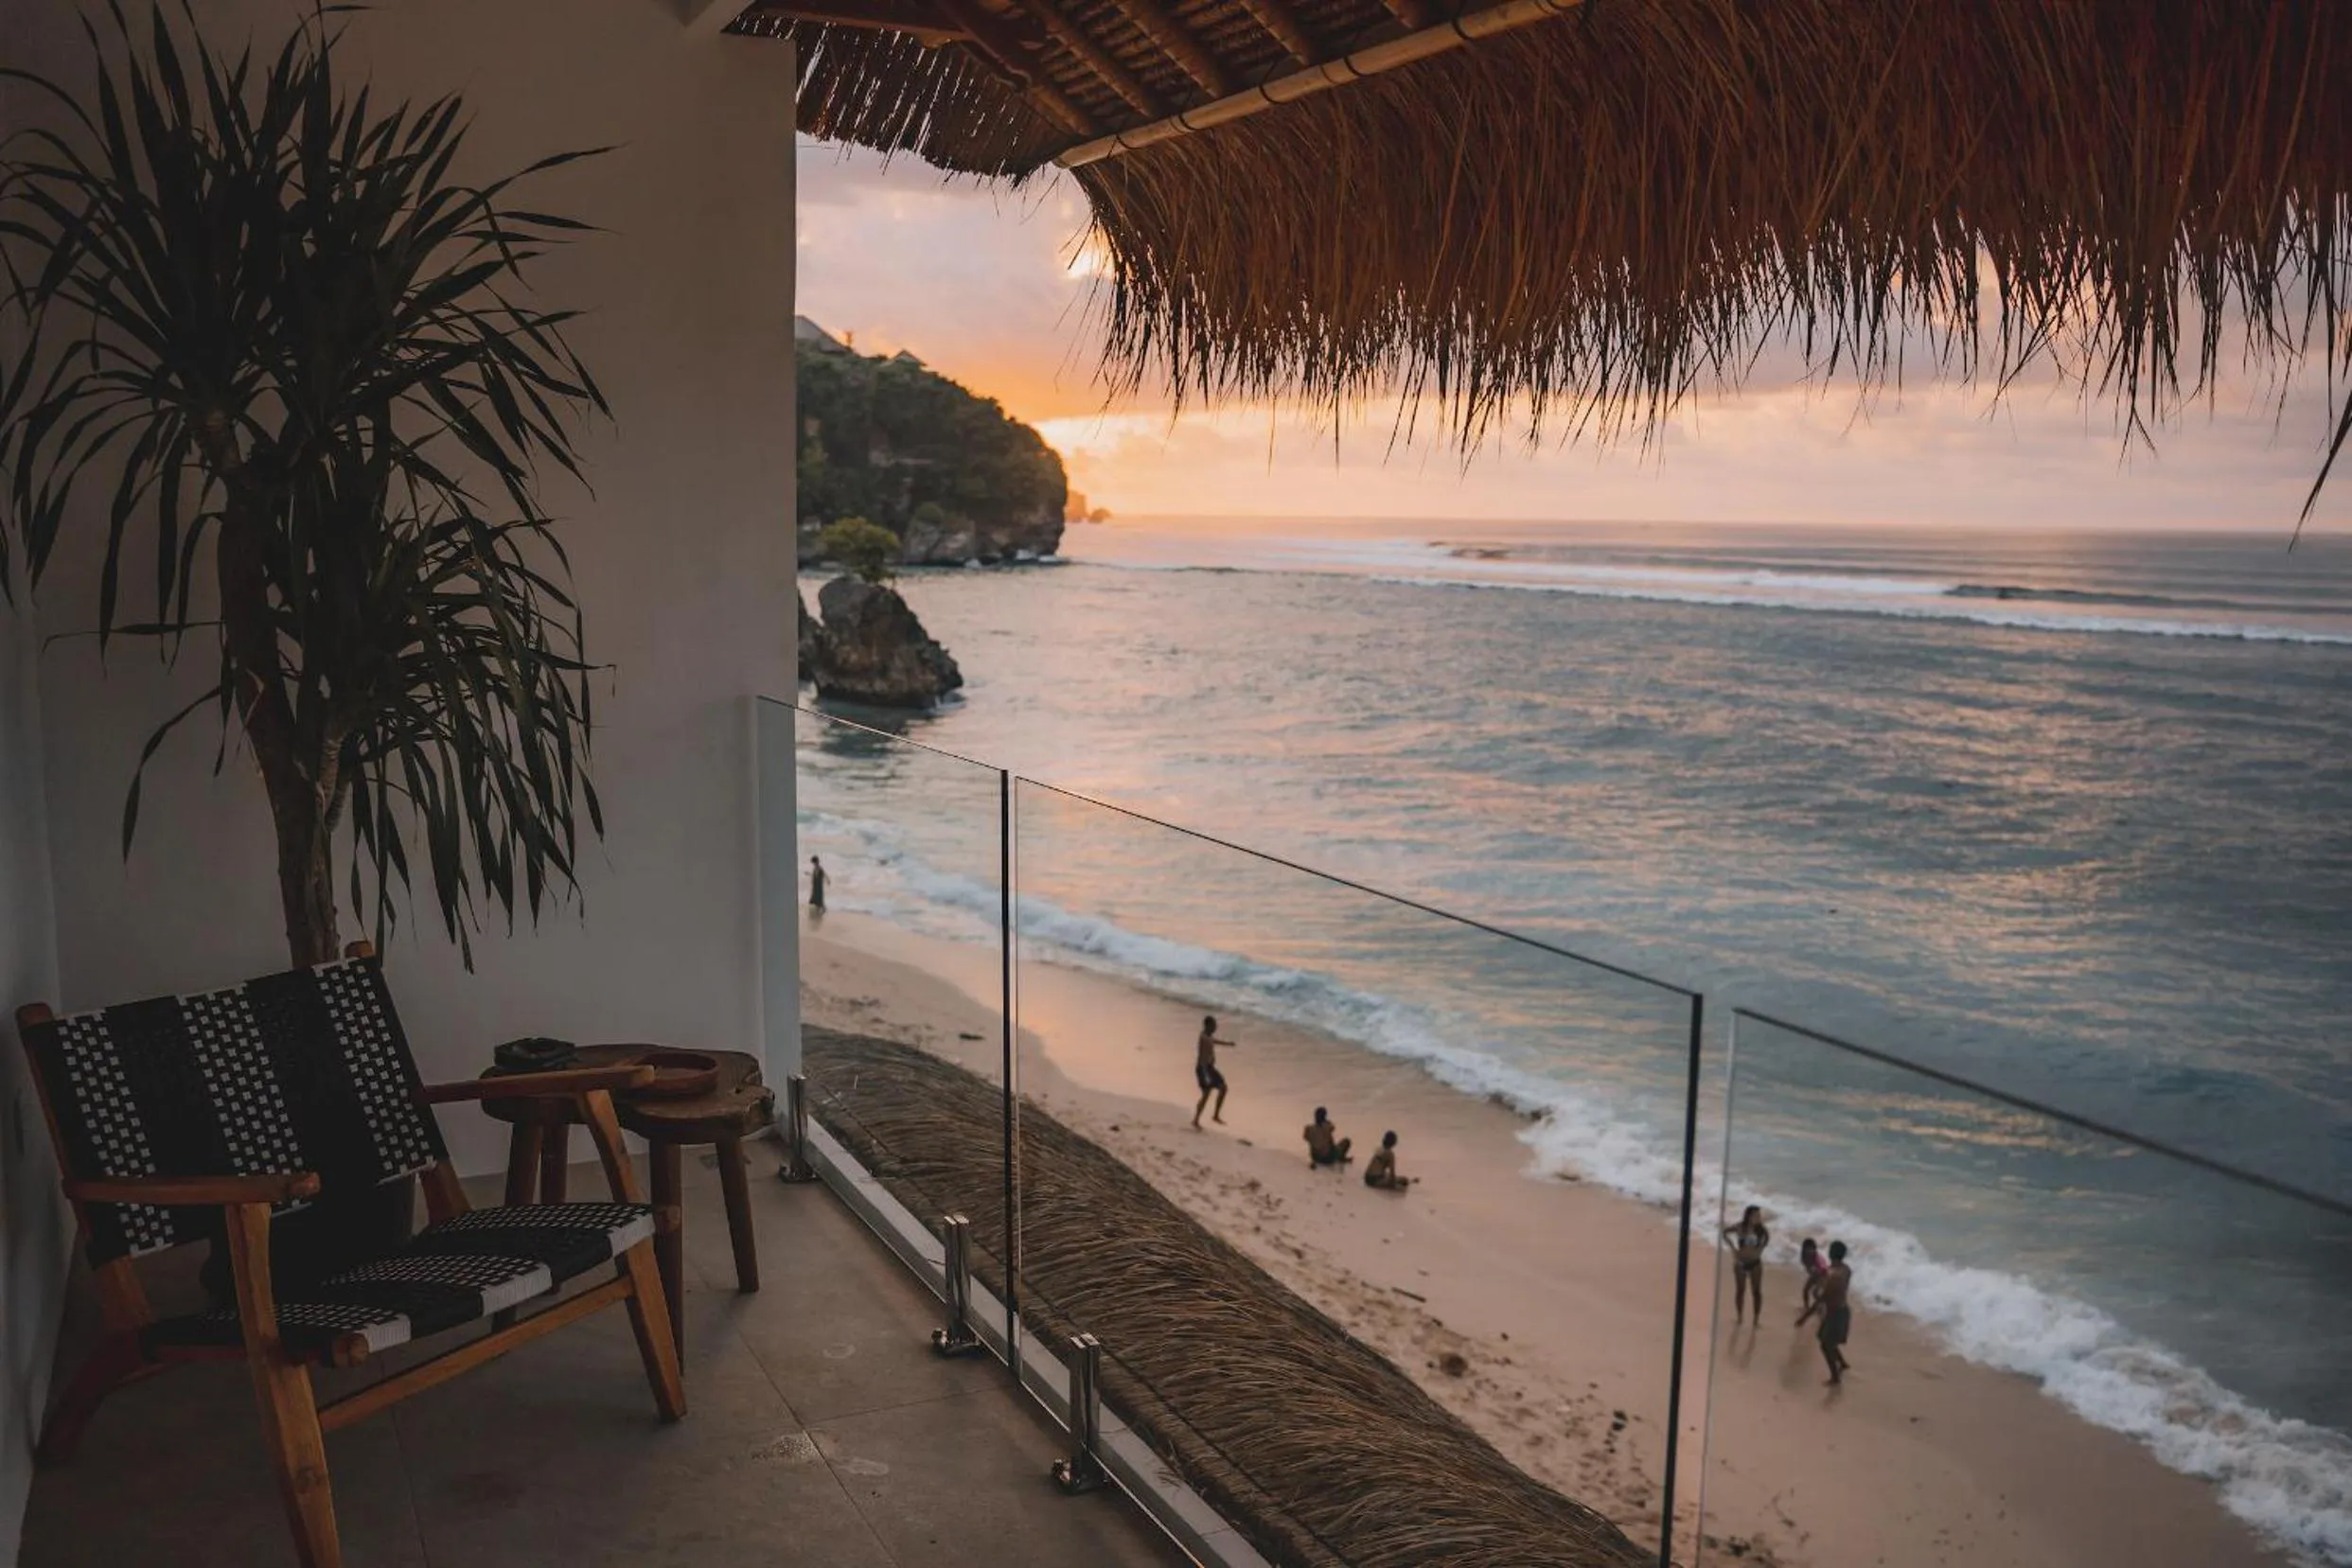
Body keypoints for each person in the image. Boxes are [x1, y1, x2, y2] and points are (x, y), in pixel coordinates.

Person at [1723, 1205, 1770, 1324]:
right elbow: (1725, 1233)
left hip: (1755, 1263)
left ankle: (1756, 1319)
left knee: (1756, 1292)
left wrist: (1760, 1249)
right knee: (1740, 1291)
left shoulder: (1761, 1230)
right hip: (1741, 1262)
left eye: (1759, 1215)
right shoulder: (1740, 1227)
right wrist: (1733, 1248)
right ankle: (1739, 1317)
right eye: (1756, 1215)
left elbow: (1767, 1239)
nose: (1758, 1218)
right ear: (1749, 1216)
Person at [1817, 1240, 1853, 1384]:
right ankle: (1842, 1363)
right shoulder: (1846, 1269)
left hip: (1835, 1313)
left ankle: (1835, 1377)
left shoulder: (1832, 1275)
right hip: (1841, 1310)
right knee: (1824, 1338)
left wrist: (1805, 1317)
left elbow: (1824, 1296)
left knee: (1825, 1345)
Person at [1191, 1015, 1236, 1128]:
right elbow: (1202, 1058)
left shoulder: (1208, 1036)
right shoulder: (1204, 1038)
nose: (1216, 1027)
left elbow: (1214, 1041)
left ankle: (1215, 1115)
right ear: (1208, 1026)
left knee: (1223, 1088)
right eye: (1214, 1025)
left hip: (1210, 1068)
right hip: (1203, 1068)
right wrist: (1205, 1074)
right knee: (1206, 1094)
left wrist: (1228, 1044)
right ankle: (1196, 1120)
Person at [1795, 1238, 1828, 1326]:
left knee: (1816, 1293)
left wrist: (1816, 1271)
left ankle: (1822, 1310)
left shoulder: (1817, 1258)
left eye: (1812, 1249)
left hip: (1823, 1276)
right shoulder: (1804, 1257)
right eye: (1808, 1249)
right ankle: (1806, 1307)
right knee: (1805, 1291)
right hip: (1814, 1276)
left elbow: (1824, 1268)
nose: (1810, 1251)